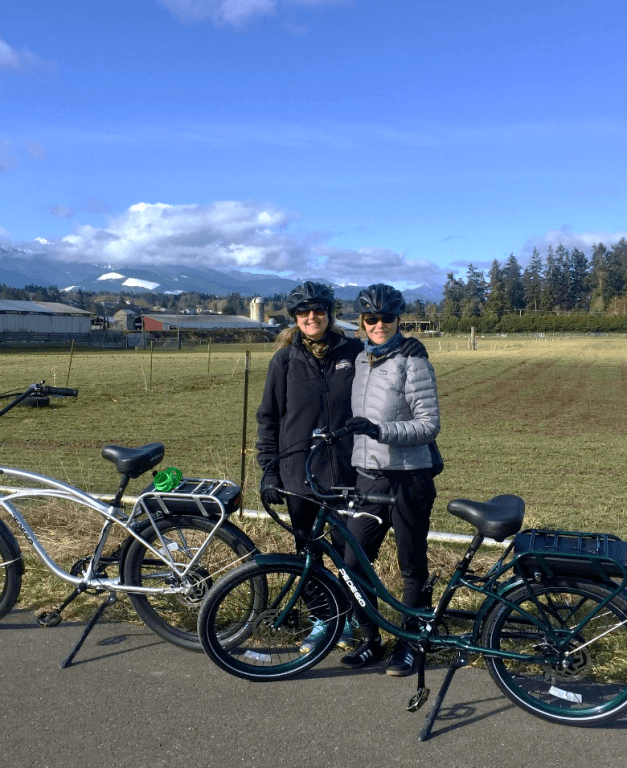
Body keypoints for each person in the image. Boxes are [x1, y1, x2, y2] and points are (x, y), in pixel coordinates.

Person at [256, 281, 428, 653]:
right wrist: (268, 470)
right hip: (299, 477)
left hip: (349, 477)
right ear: (295, 319)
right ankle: (324, 619)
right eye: (303, 313)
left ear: (329, 314)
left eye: (317, 311)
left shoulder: (353, 351)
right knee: (309, 554)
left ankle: (356, 619)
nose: (311, 317)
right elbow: (268, 419)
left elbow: (384, 354)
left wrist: (413, 344)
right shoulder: (284, 361)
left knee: (351, 559)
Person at [339, 283, 440, 676]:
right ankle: (370, 638)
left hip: (409, 479)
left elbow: (429, 425)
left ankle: (411, 643)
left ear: (399, 320)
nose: (378, 325)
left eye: (386, 318)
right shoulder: (361, 360)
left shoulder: (413, 361)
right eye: (370, 319)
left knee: (411, 565)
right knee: (354, 561)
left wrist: (381, 431)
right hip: (369, 480)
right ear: (361, 322)